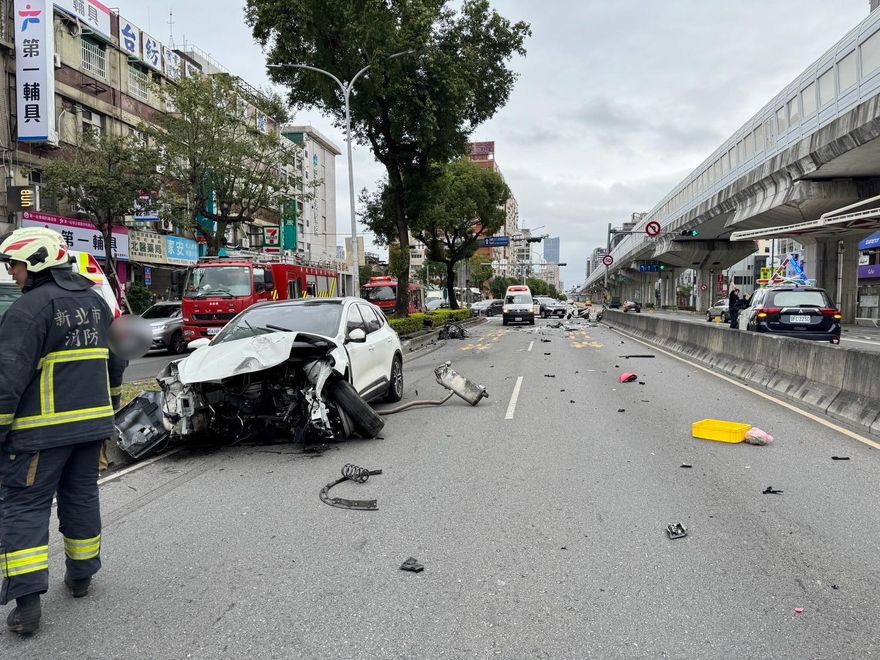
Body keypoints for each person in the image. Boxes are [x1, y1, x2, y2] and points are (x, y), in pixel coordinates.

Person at [0, 227, 124, 636]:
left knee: (25, 509)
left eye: (13, 265)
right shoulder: (96, 303)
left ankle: (28, 605)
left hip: (40, 435)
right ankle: (81, 577)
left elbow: (7, 380)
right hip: (91, 428)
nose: (12, 273)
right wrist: (112, 406)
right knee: (81, 498)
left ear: (35, 262)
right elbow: (117, 362)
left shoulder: (30, 309)